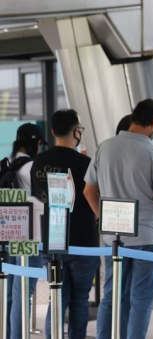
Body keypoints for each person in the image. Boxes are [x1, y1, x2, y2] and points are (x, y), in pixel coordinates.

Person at [84, 99, 153, 339]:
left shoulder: (105, 147)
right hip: (147, 235)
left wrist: (104, 217)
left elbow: (88, 191)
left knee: (112, 295)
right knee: (141, 298)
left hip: (114, 235)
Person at [30, 110, 99, 339]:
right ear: (76, 131)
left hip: (52, 240)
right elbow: (92, 195)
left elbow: (38, 198)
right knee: (80, 300)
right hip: (83, 241)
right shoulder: (86, 163)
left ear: (52, 131)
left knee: (57, 297)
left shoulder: (39, 161)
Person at [3, 123, 47, 339]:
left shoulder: (5, 163)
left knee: (11, 294)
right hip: (30, 238)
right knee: (22, 295)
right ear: (36, 143)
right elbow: (44, 203)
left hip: (9, 235)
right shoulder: (33, 168)